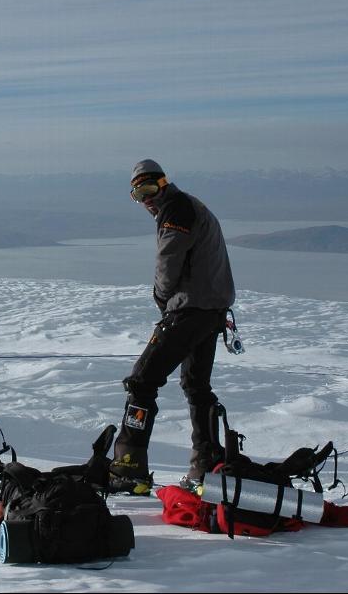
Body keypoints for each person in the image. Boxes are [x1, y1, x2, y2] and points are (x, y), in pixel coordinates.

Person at [109, 159, 236, 495]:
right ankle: (207, 465)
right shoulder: (189, 205)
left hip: (190, 310)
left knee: (142, 380)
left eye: (150, 189)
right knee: (196, 385)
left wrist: (163, 300)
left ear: (163, 183)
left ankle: (129, 469)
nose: (147, 199)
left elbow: (168, 263)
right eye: (139, 194)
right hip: (211, 311)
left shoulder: (176, 210)